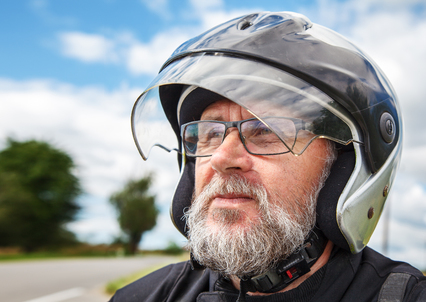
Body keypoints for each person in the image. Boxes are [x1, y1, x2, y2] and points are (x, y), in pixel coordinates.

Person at [110, 11, 426, 302]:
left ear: (342, 167)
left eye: (264, 130)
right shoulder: (144, 297)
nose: (222, 158)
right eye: (208, 133)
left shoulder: (404, 295)